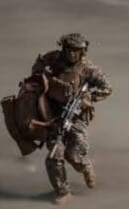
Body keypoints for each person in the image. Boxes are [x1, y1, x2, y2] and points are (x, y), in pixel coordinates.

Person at [32, 33, 113, 205]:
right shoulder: (53, 59)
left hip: (75, 116)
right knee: (54, 156)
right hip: (52, 115)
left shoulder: (88, 69)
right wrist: (43, 78)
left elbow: (107, 88)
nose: (72, 53)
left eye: (76, 50)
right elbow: (36, 71)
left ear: (83, 51)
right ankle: (63, 191)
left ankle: (85, 166)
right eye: (69, 49)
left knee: (74, 155)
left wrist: (88, 98)